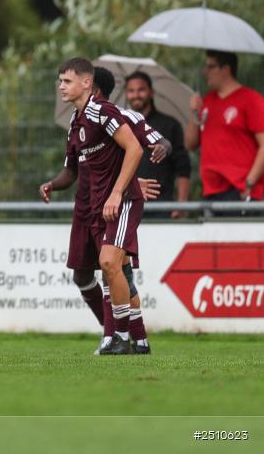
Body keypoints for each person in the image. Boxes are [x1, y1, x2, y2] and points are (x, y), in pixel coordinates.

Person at [42, 67, 161, 354]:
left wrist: (120, 189)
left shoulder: (104, 111)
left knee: (111, 265)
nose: (61, 86)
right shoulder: (76, 121)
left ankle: (119, 337)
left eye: (66, 81)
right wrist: (52, 185)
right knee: (110, 270)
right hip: (96, 206)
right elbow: (73, 171)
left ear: (87, 83)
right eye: (59, 81)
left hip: (120, 202)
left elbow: (135, 148)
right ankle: (136, 341)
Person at [185, 50, 264, 213]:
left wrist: (250, 182)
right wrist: (193, 113)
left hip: (241, 191)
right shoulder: (206, 101)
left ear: (226, 69)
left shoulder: (251, 100)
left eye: (210, 67)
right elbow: (190, 144)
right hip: (211, 191)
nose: (205, 72)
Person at [124, 71, 191, 219]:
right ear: (126, 94)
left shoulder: (170, 125)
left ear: (151, 92)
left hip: (162, 207)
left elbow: (183, 168)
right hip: (125, 206)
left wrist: (181, 205)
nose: (136, 95)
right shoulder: (119, 127)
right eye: (131, 91)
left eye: (141, 90)